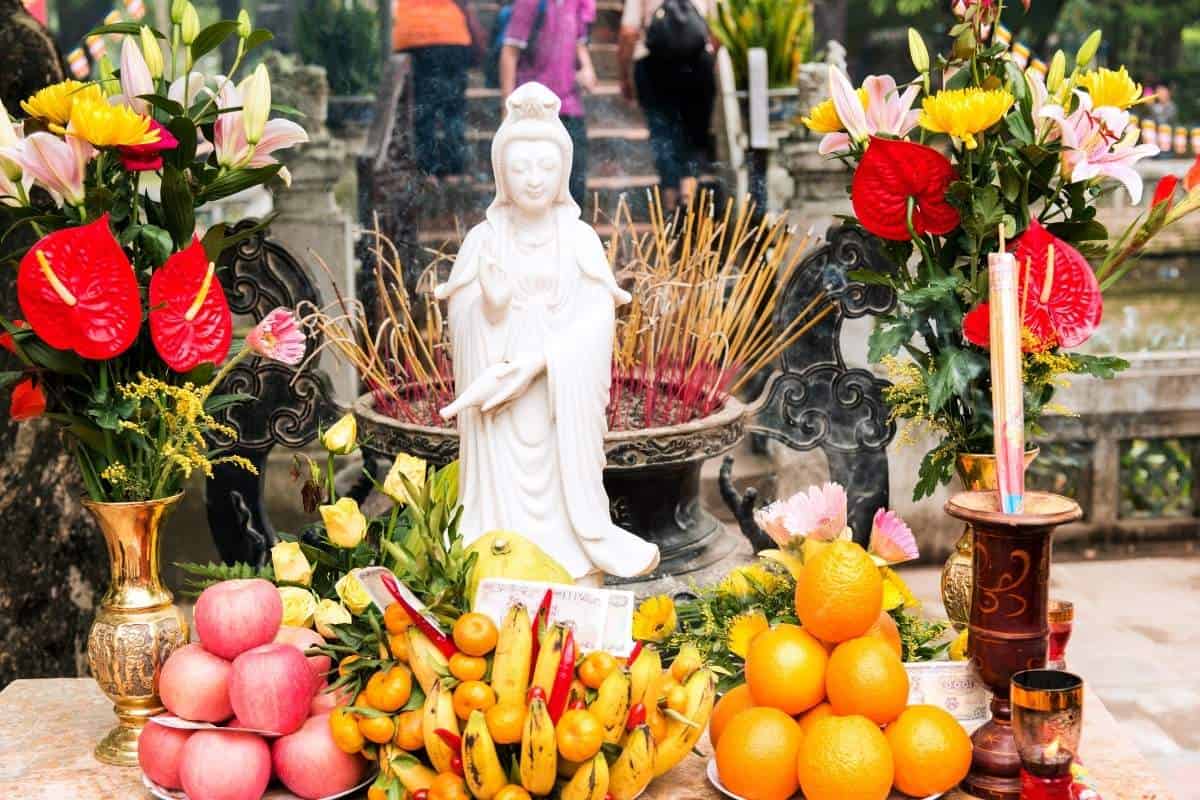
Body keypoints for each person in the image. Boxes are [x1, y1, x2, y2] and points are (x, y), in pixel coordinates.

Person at [437, 83, 659, 582]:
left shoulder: (578, 239)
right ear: (501, 174)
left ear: (563, 171)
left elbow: (598, 317)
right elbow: (465, 312)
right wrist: (491, 308)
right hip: (501, 402)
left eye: (545, 167)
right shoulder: (483, 239)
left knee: (562, 486)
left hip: (559, 398)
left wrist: (538, 362)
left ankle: (571, 552)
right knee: (502, 495)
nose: (533, 180)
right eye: (520, 168)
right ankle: (498, 550)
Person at [498, 0, 598, 208]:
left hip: (569, 106)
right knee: (536, 184)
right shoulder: (529, 3)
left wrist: (587, 68)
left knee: (575, 182)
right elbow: (510, 51)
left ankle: (570, 235)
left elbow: (579, 41)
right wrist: (508, 108)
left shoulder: (573, 3)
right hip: (534, 110)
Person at [618, 0, 715, 210]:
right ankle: (688, 203)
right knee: (694, 135)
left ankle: (670, 210)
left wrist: (624, 74)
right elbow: (718, 27)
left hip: (653, 65)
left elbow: (628, 31)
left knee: (663, 135)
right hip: (698, 64)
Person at [393, 0, 483, 178]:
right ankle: (455, 168)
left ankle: (428, 169)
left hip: (416, 34)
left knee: (425, 107)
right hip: (453, 33)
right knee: (454, 108)